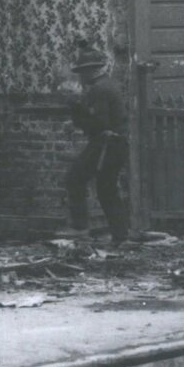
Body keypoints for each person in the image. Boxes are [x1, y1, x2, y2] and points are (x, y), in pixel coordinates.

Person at [63, 48, 130, 245]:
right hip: (114, 143)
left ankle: (80, 227)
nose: (81, 77)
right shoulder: (107, 85)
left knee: (75, 178)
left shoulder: (99, 90)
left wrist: (75, 107)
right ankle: (120, 235)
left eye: (82, 72)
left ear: (91, 71)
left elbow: (99, 123)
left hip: (107, 144)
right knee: (106, 189)